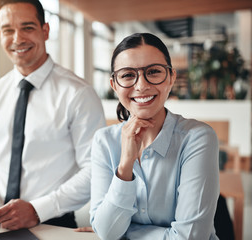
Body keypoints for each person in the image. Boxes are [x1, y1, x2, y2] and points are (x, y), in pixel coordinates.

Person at [0, 0, 105, 231]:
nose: (17, 39)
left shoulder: (78, 94)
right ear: (0, 35)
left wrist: (38, 209)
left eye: (27, 27)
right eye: (8, 30)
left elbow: (95, 169)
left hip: (52, 224)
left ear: (45, 30)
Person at [90, 33, 220, 240]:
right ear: (114, 85)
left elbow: (190, 237)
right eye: (127, 75)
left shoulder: (197, 138)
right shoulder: (104, 141)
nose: (141, 85)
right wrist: (125, 166)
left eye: (153, 72)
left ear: (171, 78)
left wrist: (127, 233)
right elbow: (107, 232)